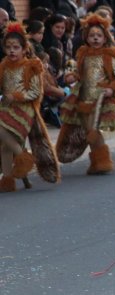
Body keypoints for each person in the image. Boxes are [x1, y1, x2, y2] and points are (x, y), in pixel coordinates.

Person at [55, 13, 115, 175]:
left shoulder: (109, 57)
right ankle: (97, 162)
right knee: (89, 131)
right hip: (83, 100)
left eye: (99, 35)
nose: (95, 38)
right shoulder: (83, 55)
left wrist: (112, 88)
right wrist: (72, 76)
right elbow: (79, 73)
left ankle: (104, 161)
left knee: (94, 130)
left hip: (102, 100)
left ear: (105, 38)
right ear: (86, 38)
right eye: (92, 35)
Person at [0, 22, 60, 192]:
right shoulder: (3, 66)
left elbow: (36, 92)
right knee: (5, 145)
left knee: (4, 136)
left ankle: (23, 157)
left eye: (16, 47)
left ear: (24, 49)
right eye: (9, 47)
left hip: (24, 111)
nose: (12, 50)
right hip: (5, 108)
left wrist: (17, 96)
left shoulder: (31, 66)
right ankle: (8, 179)